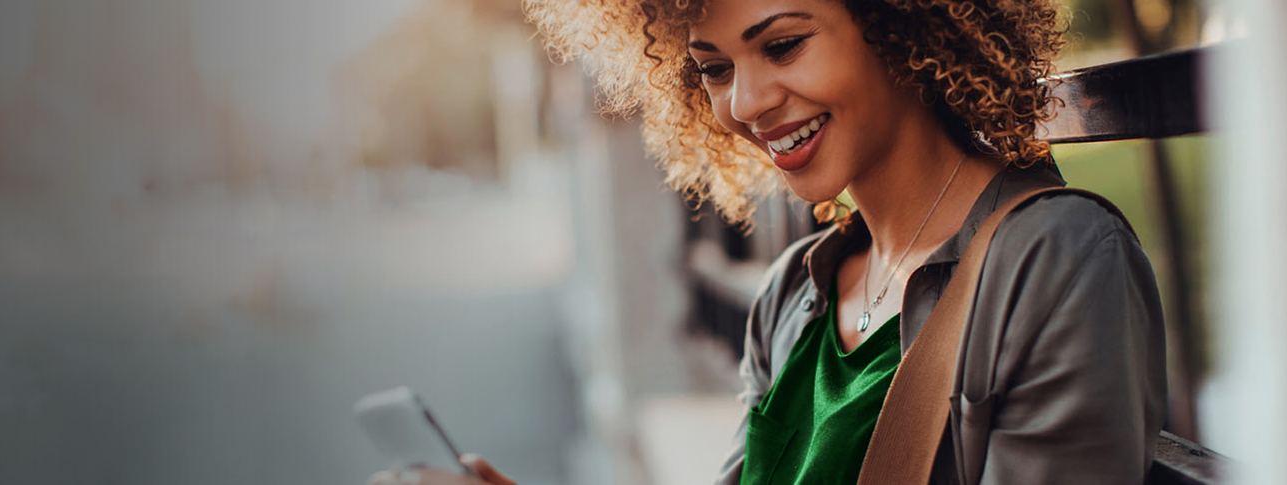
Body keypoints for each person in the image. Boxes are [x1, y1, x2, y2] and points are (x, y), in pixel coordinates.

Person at [372, 0, 1167, 483]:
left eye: (782, 44)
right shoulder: (796, 292)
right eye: (713, 68)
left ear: (898, 24)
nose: (744, 102)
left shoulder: (1056, 261)